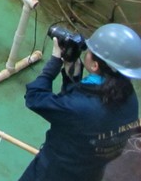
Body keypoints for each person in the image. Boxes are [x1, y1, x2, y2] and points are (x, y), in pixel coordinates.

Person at [19, 23, 141, 181]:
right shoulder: (130, 99)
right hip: (90, 173)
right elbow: (78, 114)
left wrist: (54, 63)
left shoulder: (81, 107)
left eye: (89, 51)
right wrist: (73, 76)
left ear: (95, 65)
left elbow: (35, 97)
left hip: (52, 173)